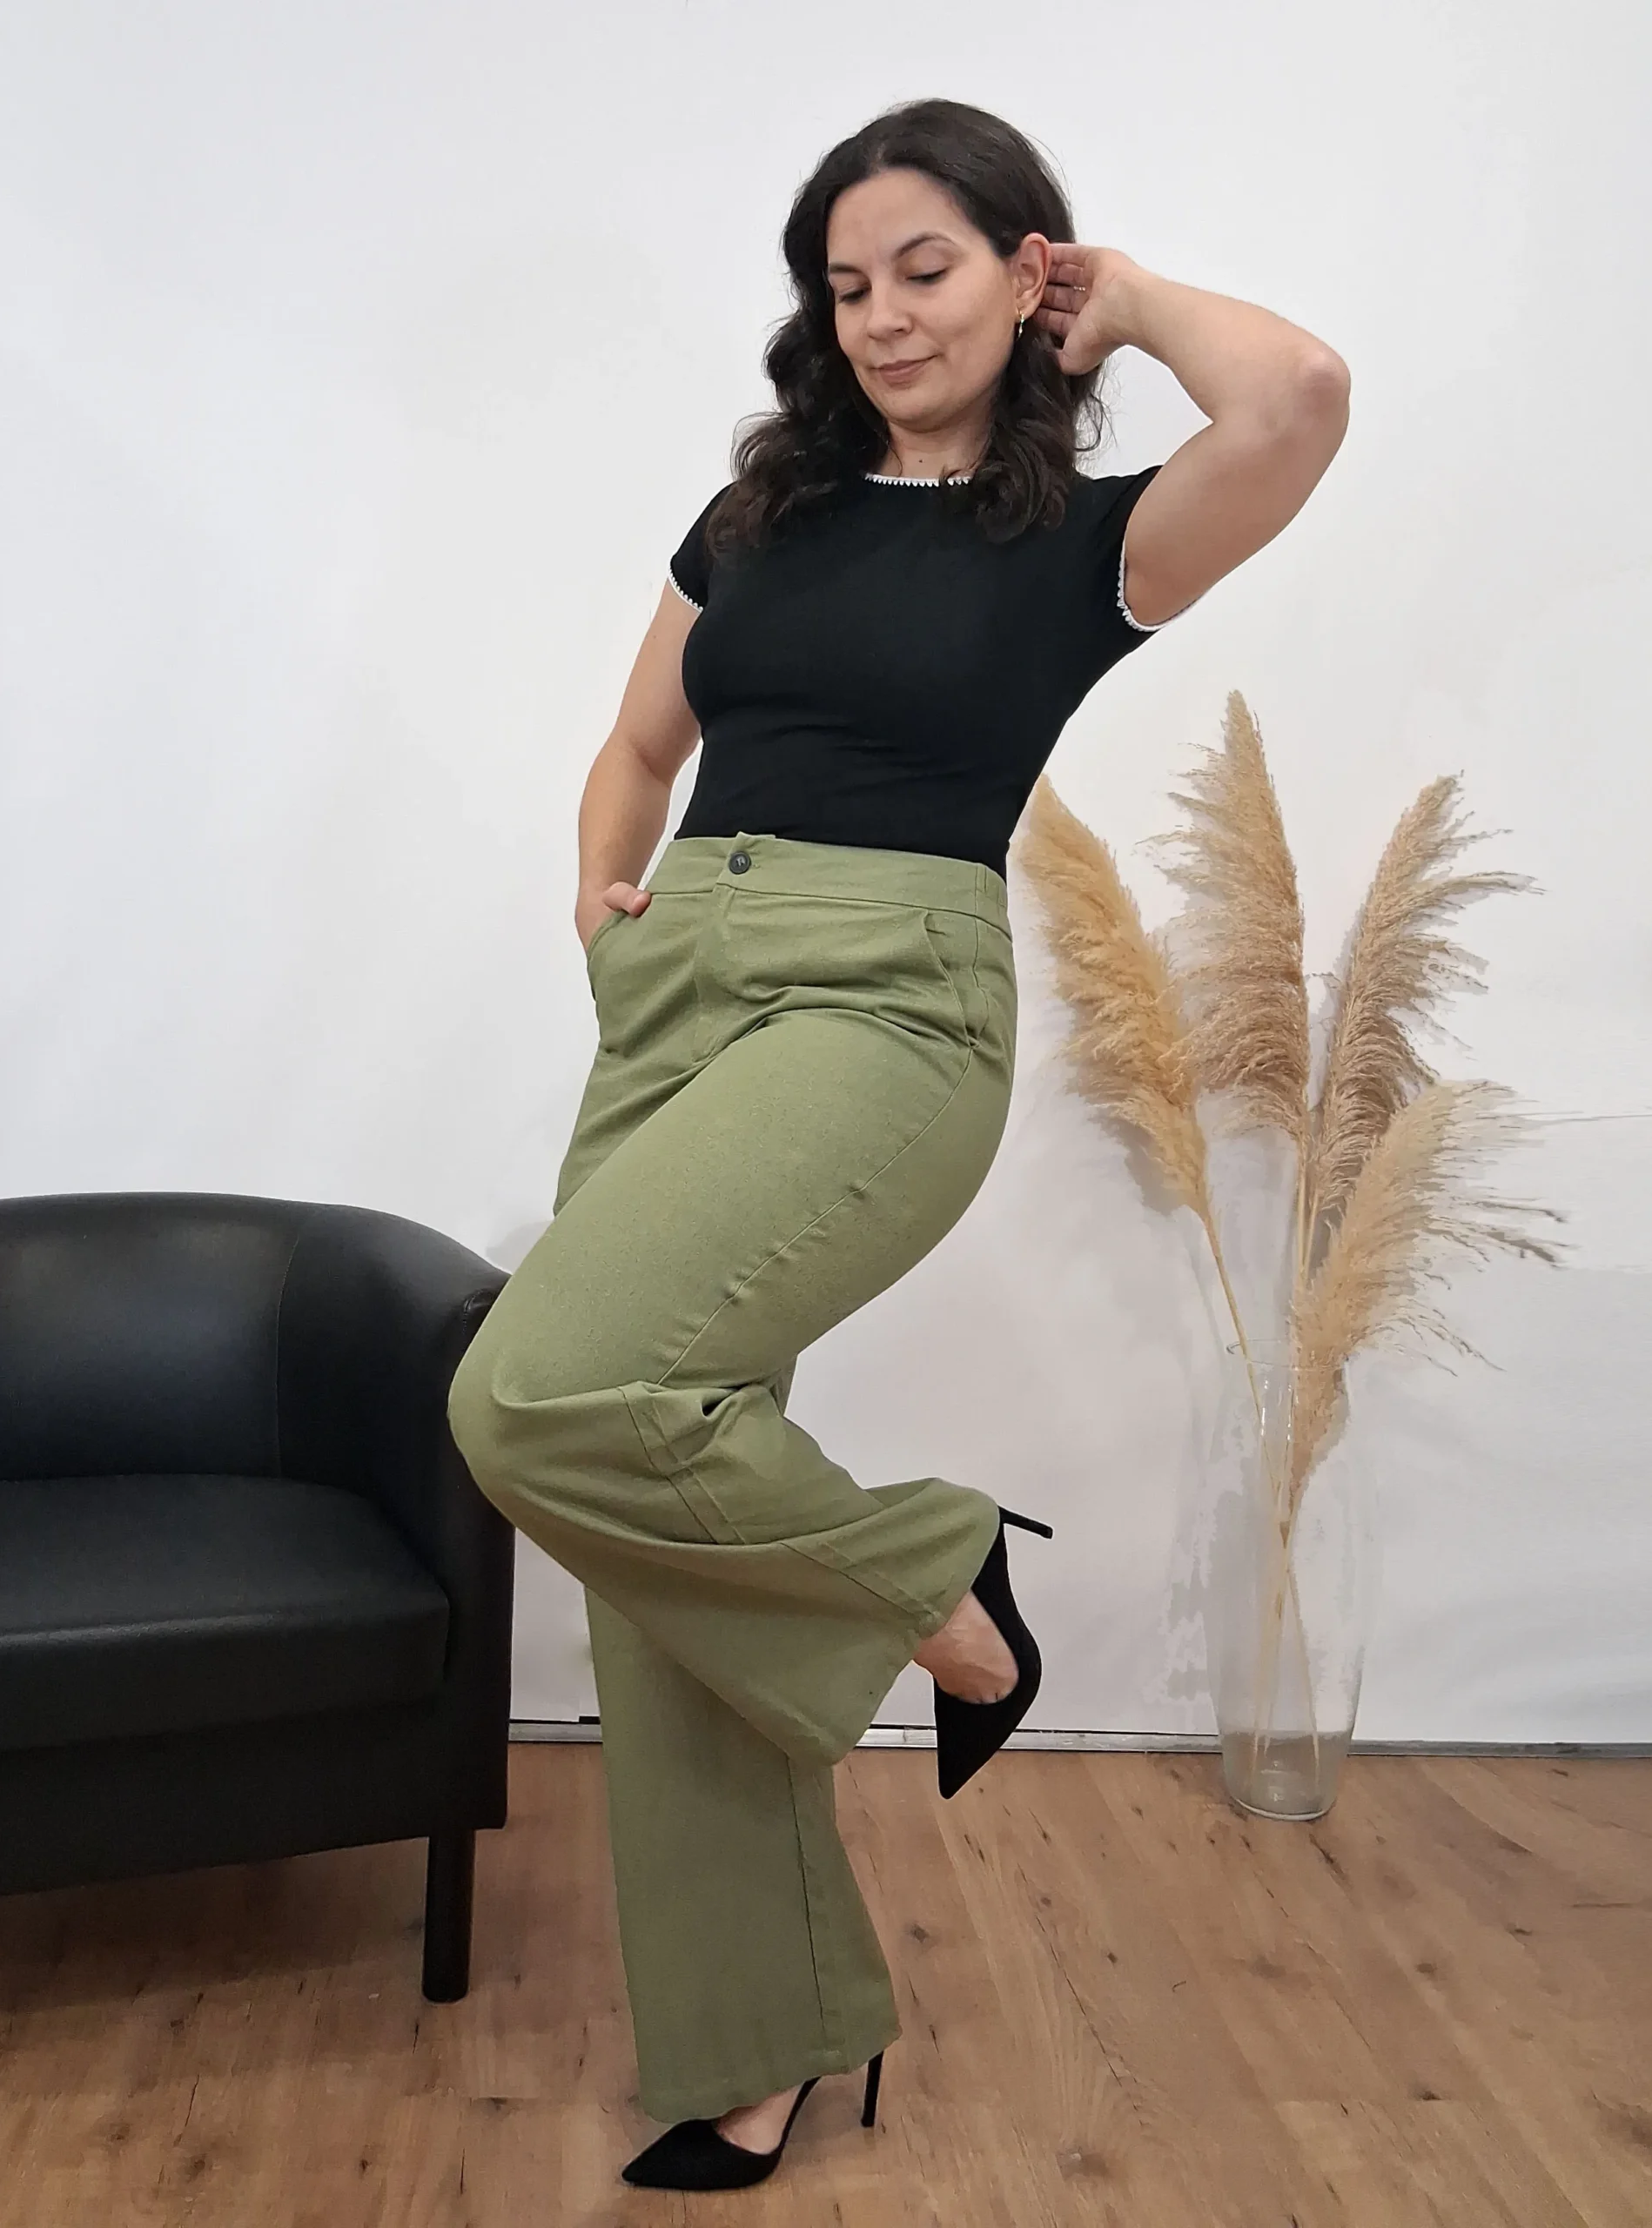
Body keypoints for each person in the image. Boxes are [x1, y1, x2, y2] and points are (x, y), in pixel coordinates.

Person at [447, 95, 1348, 2194]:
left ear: (1026, 274)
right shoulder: (761, 513)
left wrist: (1125, 298)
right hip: (679, 990)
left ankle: (944, 1579)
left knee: (535, 1393)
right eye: (845, 285)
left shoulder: (1089, 544)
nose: (880, 315)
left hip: (883, 1001)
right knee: (654, 1511)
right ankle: (759, 2040)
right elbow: (641, 740)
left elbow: (1298, 395)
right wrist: (602, 896)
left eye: (926, 268)